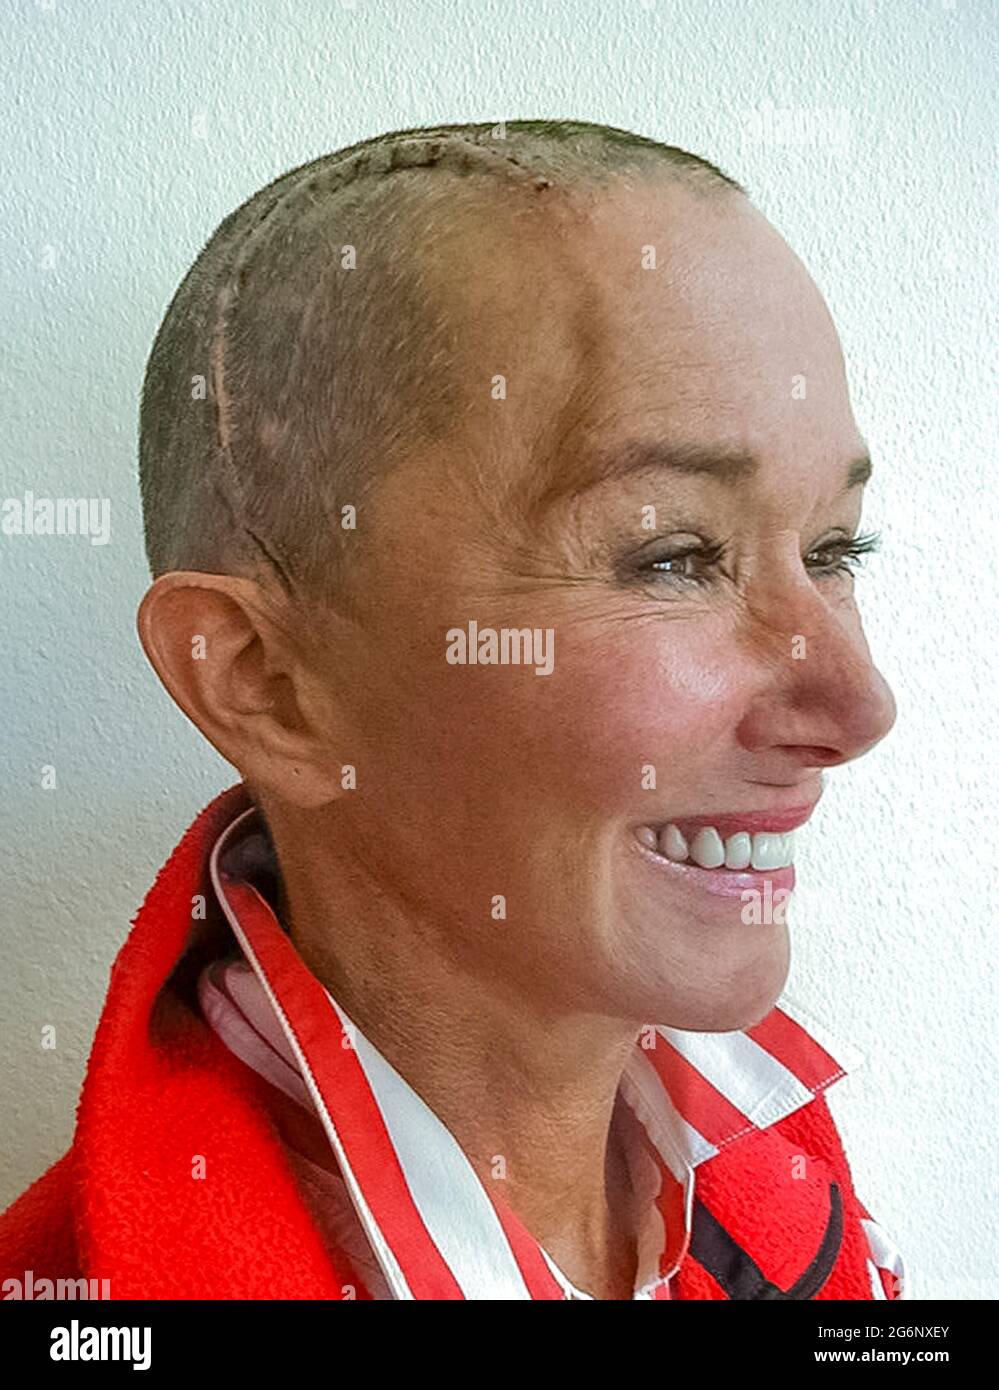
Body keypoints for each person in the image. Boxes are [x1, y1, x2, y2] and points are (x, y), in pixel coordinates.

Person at [0, 120, 907, 1300]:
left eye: (837, 548)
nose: (858, 701)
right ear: (268, 683)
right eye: (673, 557)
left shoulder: (790, 1199)